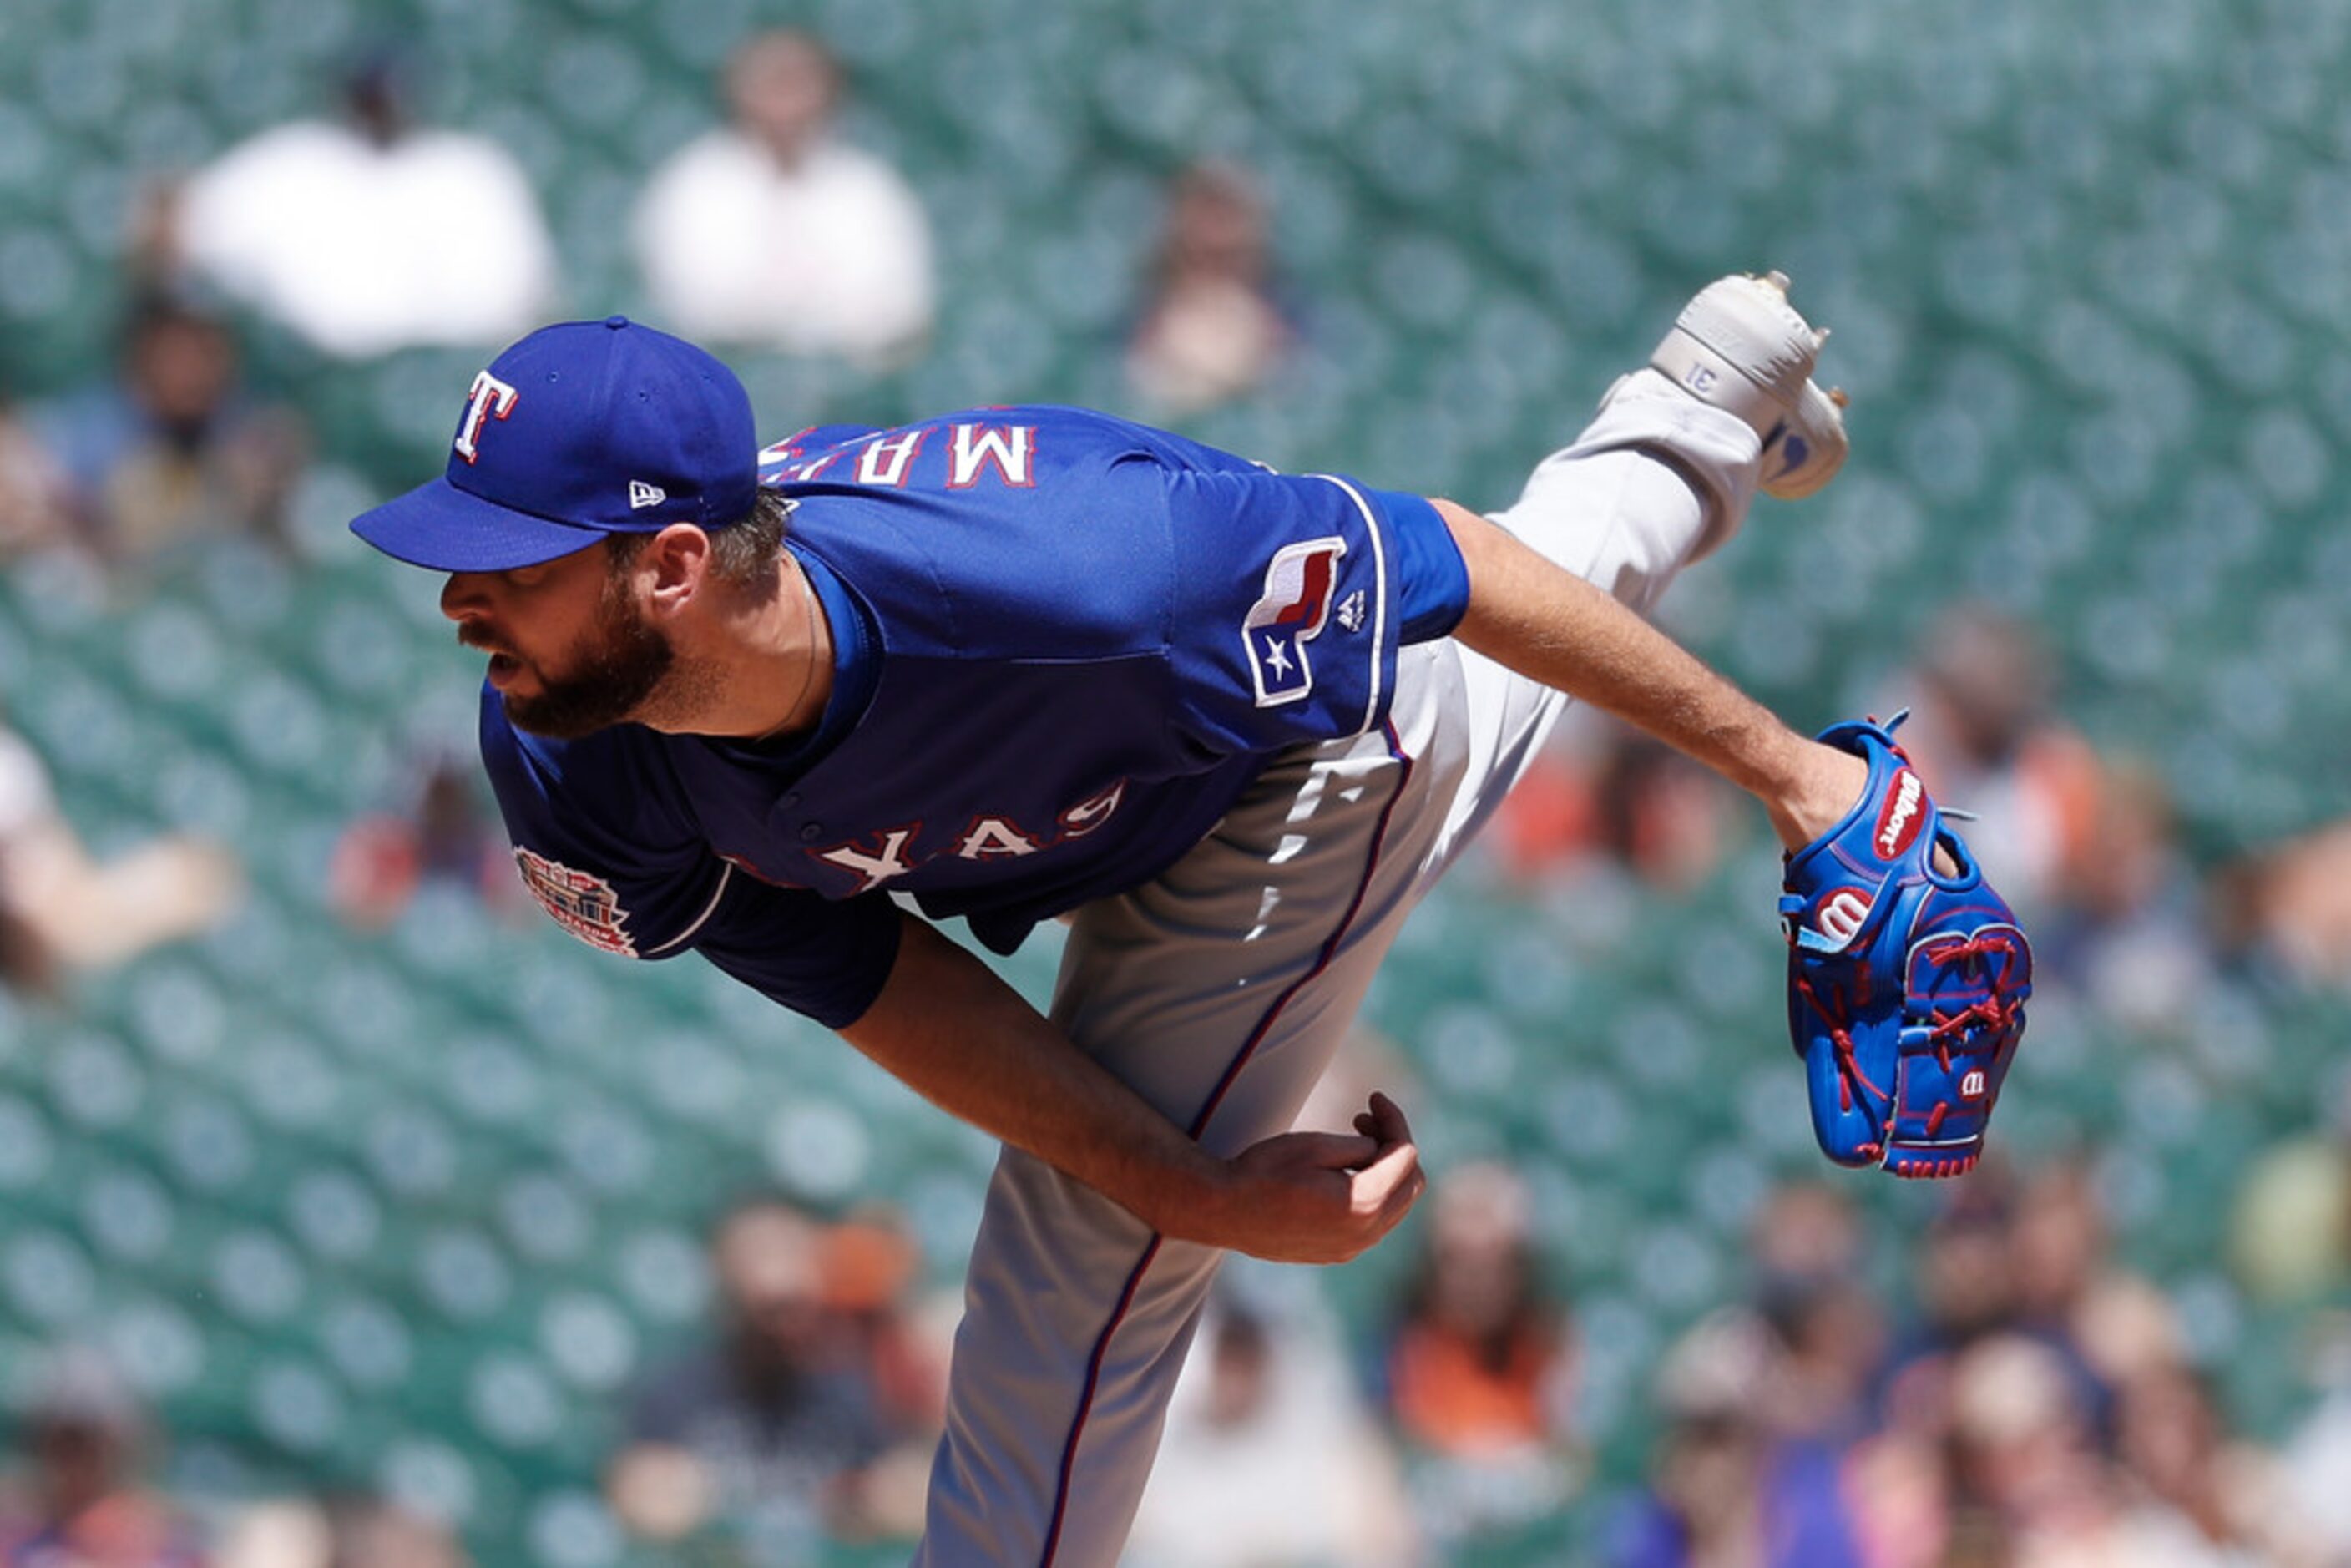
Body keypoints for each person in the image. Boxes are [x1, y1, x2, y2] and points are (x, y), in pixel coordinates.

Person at [350, 269, 1859, 1565]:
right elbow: (871, 973)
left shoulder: (1085, 576)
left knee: (1082, 1245)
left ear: (673, 565)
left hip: (1298, 757)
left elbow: (1447, 563)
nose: (457, 601)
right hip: (1115, 819)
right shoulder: (569, 746)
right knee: (1136, 1178)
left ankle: (1705, 446)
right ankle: (1706, 406)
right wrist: (1193, 1182)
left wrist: (1800, 782)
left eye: (508, 563)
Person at [163, 51, 556, 359]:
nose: (381, 105)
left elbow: (532, 298)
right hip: (320, 372)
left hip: (459, 364)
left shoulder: (470, 168)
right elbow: (176, 225)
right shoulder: (296, 159)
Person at [604, 1197, 908, 1560]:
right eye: (758, 1254)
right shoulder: (673, 1391)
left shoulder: (862, 1388)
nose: (777, 1276)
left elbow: (909, 1497)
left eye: (792, 1251)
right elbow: (641, 1502)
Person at [631, 29, 933, 365]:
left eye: (800, 84)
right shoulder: (690, 184)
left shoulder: (870, 188)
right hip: (723, 369)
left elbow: (895, 306)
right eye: (773, 84)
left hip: (846, 375)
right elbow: (695, 303)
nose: (787, 103)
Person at [35, 292, 307, 571]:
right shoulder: (85, 428)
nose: (194, 368)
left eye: (206, 350)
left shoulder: (239, 420)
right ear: (145, 351)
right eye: (179, 350)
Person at [0, 1348, 208, 1567]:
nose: (79, 1461)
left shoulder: (173, 1546)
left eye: (91, 1446)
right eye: (67, 1445)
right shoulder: (16, 1538)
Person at [1125, 161, 1302, 417]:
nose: (1216, 232)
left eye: (1228, 214)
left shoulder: (1285, 316)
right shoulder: (1141, 314)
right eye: (1207, 211)